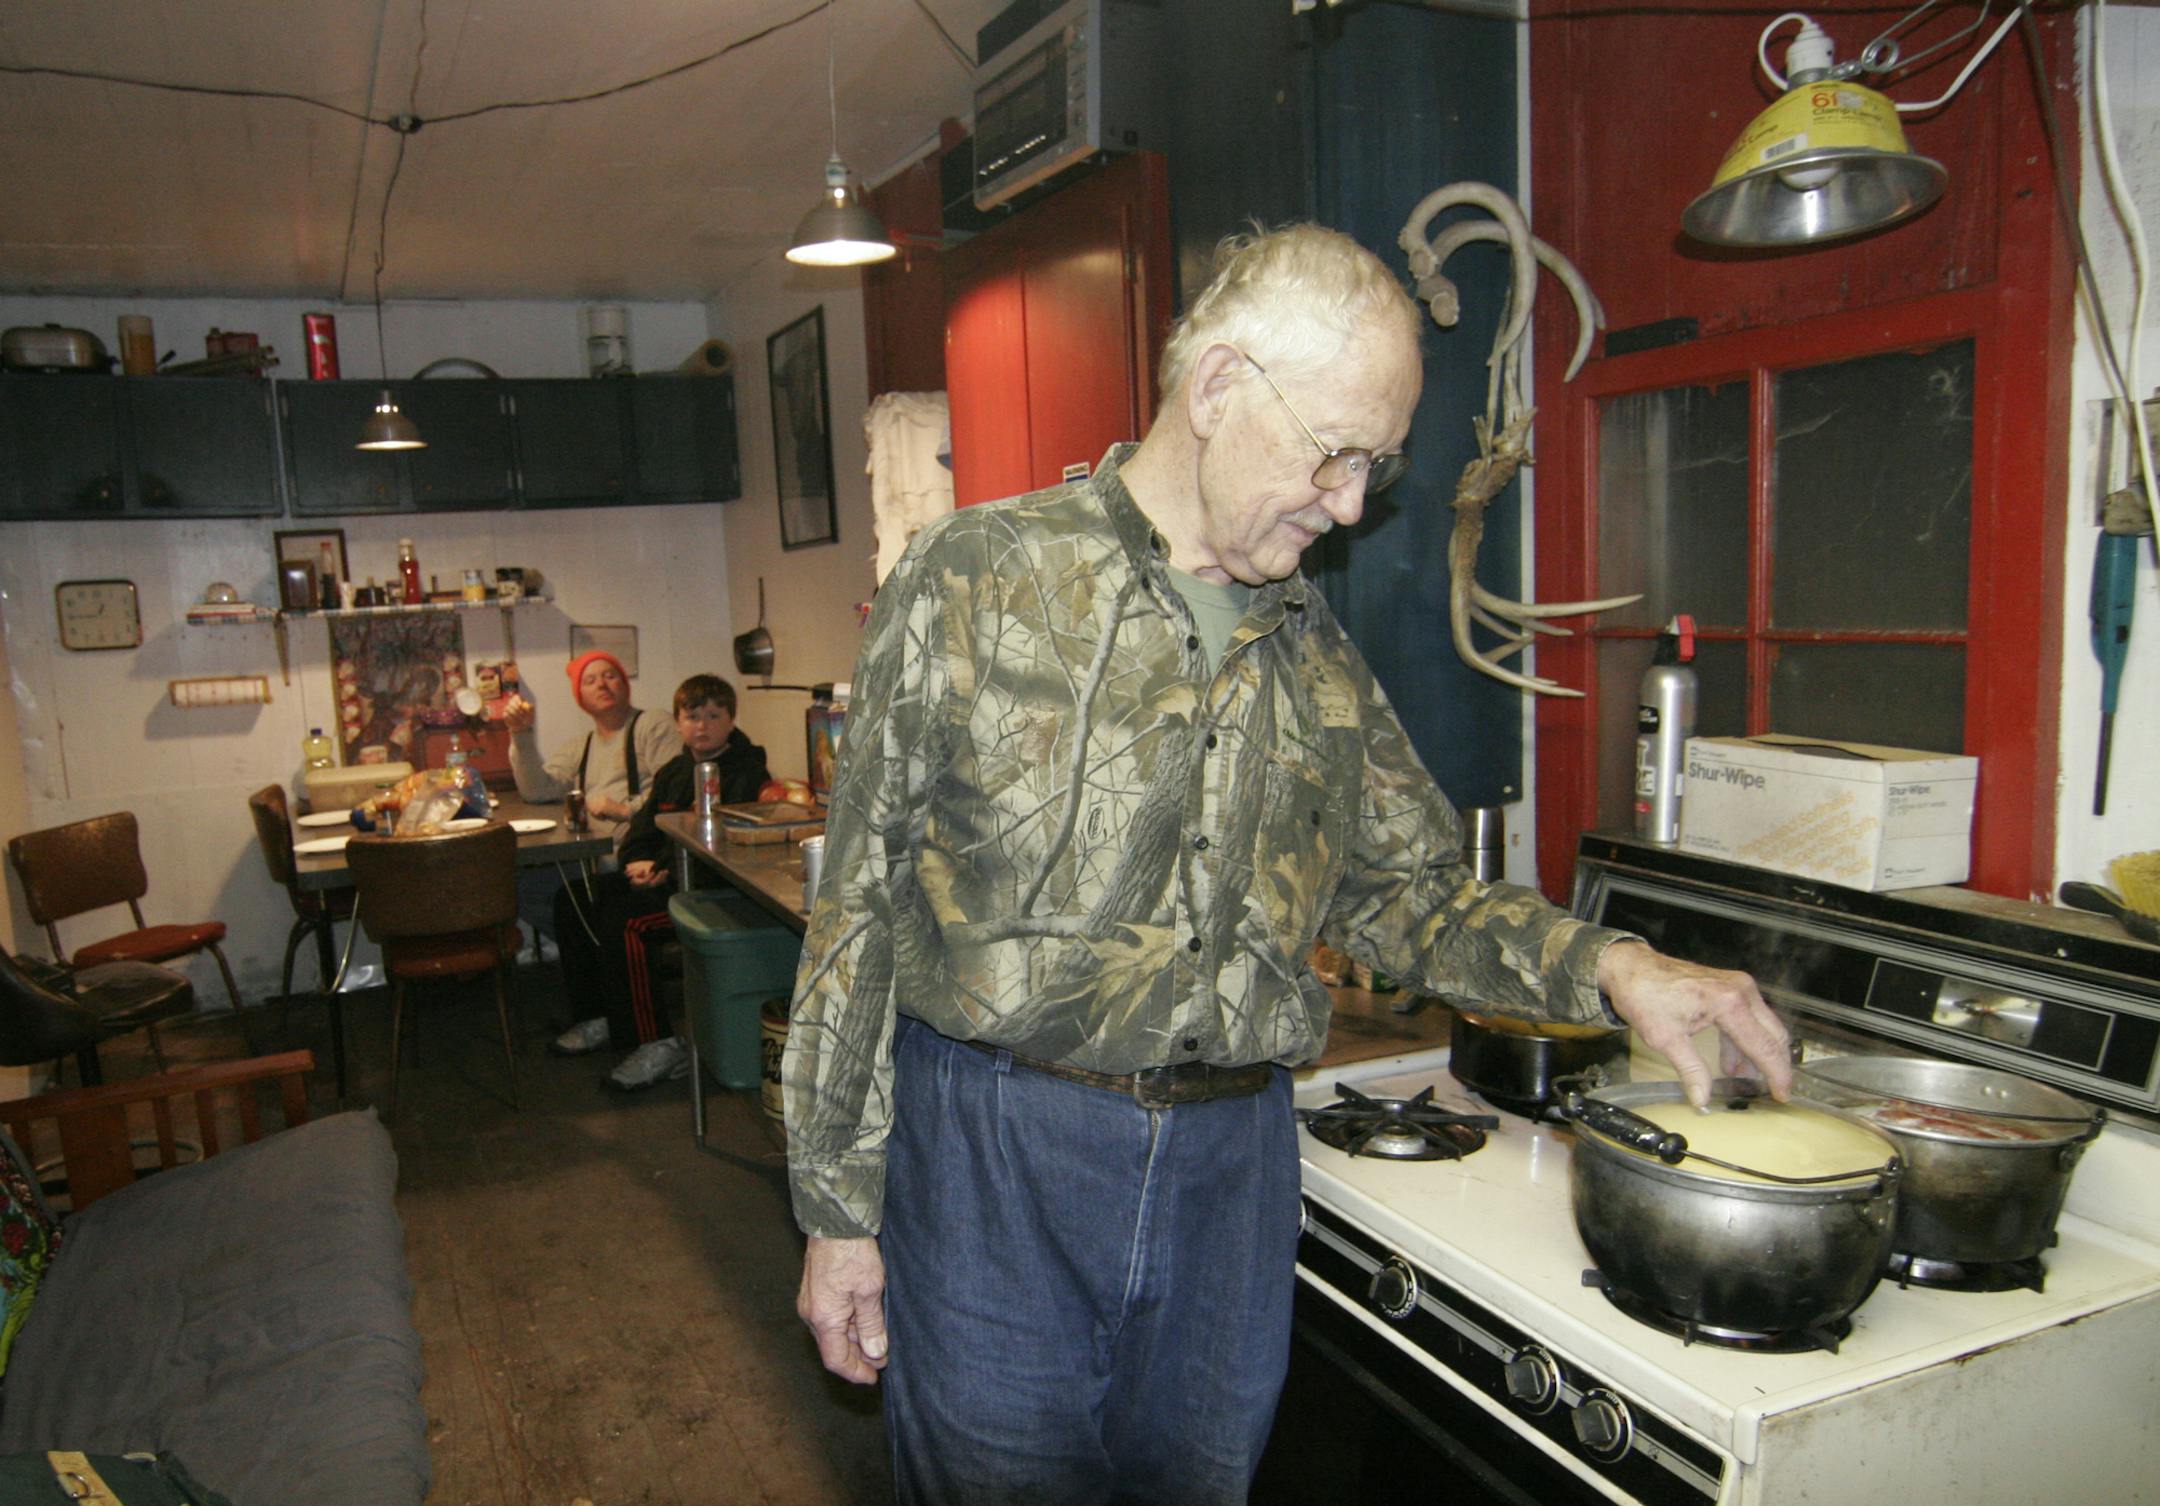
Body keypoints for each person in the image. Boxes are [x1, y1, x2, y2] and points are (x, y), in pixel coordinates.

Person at [782, 222, 1794, 1506]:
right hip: (999, 1161)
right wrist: (837, 1209)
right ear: (1215, 389)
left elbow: (1410, 894)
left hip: (1233, 1176)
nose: (1354, 503)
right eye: (1334, 453)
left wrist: (1620, 968)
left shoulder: (1311, 654)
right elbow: (856, 906)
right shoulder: (977, 579)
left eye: (1377, 465)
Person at [560, 673, 770, 1089]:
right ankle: (603, 1013)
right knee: (574, 901)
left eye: (714, 715)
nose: (702, 726)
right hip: (664, 876)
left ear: (731, 720)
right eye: (693, 717)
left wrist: (664, 870)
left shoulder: (746, 770)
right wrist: (638, 860)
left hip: (712, 889)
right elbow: (642, 828)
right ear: (678, 723)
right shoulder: (675, 770)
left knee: (628, 923)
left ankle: (655, 1042)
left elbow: (722, 846)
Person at [503, 650, 682, 1052]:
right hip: (595, 857)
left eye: (610, 676)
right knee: (522, 885)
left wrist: (624, 809)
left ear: (625, 684)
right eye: (591, 680)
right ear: (579, 697)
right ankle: (599, 993)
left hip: (642, 857)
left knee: (579, 904)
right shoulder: (581, 745)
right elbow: (538, 789)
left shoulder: (651, 726)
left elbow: (676, 789)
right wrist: (521, 736)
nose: (602, 684)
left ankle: (609, 978)